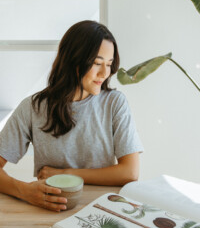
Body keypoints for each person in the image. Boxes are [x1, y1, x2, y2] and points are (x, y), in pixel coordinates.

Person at [0, 20, 143, 212]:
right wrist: (25, 191)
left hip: (103, 209)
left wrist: (67, 173)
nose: (105, 73)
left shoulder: (114, 103)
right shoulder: (33, 108)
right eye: (97, 63)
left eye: (109, 64)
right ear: (73, 61)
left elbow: (130, 172)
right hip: (50, 209)